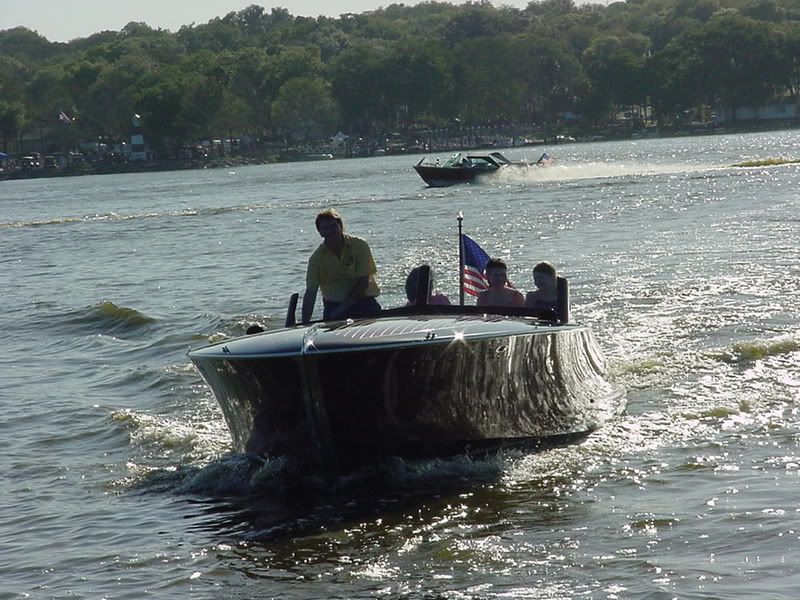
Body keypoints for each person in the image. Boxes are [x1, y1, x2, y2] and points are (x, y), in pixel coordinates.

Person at [301, 209, 381, 323]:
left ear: (341, 226)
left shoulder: (359, 245)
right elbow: (310, 293)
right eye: (325, 228)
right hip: (333, 307)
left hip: (364, 303)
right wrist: (305, 322)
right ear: (320, 232)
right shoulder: (316, 259)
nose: (330, 231)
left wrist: (343, 307)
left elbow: (363, 282)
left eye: (333, 226)